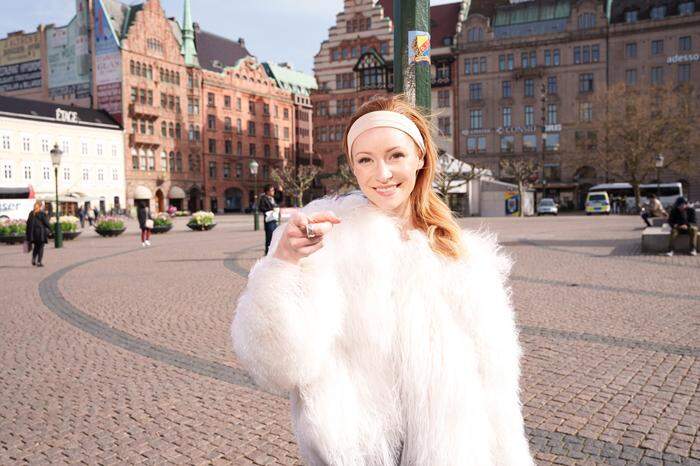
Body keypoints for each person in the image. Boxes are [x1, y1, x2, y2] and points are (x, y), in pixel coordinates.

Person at [231, 96, 534, 465]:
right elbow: (280, 365)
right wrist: (283, 264)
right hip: (358, 454)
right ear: (353, 167)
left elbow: (497, 388)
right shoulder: (326, 237)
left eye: (395, 155)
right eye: (365, 160)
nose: (382, 174)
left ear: (420, 158)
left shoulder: (465, 256)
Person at [25, 201, 51, 267]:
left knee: (36, 247)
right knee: (41, 247)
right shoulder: (42, 213)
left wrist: (28, 234)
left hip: (33, 234)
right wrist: (51, 229)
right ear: (40, 206)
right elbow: (46, 223)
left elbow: (28, 223)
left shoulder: (31, 213)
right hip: (40, 233)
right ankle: (39, 262)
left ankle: (33, 259)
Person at [258, 184, 279, 255]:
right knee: (269, 236)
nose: (273, 192)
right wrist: (270, 209)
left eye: (273, 190)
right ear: (267, 191)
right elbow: (261, 208)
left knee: (275, 235)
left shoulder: (273, 198)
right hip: (269, 220)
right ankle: (267, 252)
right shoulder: (263, 198)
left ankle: (273, 251)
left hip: (275, 219)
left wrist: (281, 191)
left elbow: (280, 199)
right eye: (272, 190)